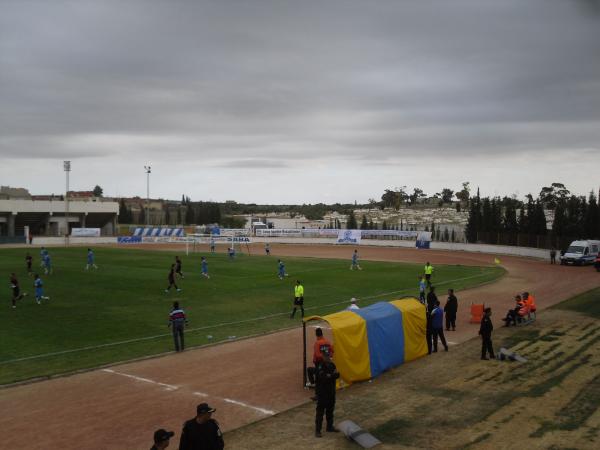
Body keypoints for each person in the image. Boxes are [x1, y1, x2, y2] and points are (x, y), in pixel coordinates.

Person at [314, 347, 340, 437]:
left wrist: (331, 375)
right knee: (320, 412)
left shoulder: (332, 365)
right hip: (322, 393)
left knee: (330, 410)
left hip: (331, 392)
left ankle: (329, 427)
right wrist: (332, 375)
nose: (328, 357)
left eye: (328, 355)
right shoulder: (320, 366)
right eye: (326, 355)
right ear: (323, 356)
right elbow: (324, 378)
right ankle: (318, 431)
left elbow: (337, 375)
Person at [425, 286, 438, 354]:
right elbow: (436, 300)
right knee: (433, 316)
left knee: (429, 316)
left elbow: (427, 299)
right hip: (433, 306)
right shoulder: (434, 294)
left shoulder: (428, 294)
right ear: (433, 289)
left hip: (430, 306)